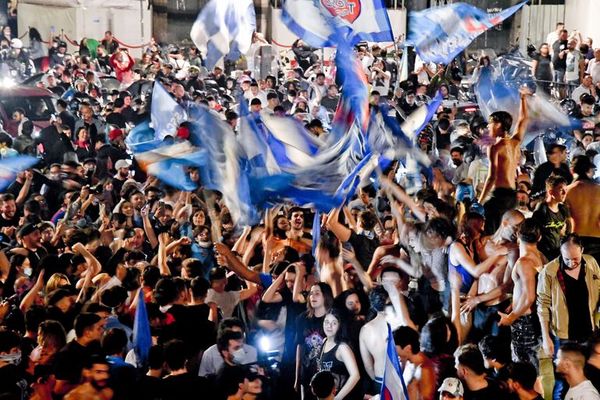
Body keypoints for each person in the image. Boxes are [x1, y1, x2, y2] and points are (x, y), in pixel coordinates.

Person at [537, 234, 600, 399]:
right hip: (564, 335)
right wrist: (546, 337)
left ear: (582, 251)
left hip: (588, 331)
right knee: (562, 381)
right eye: (567, 259)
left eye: (575, 258)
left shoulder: (591, 263)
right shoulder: (549, 271)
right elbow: (542, 305)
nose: (572, 262)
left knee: (588, 376)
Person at [479, 88, 530, 234]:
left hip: (499, 196)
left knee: (490, 233)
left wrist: (480, 201)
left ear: (498, 125)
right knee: (506, 232)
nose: (488, 127)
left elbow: (492, 177)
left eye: (490, 124)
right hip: (512, 196)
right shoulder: (515, 143)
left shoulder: (495, 147)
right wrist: (523, 99)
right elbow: (523, 120)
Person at [498, 219, 544, 370]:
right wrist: (514, 304)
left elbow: (530, 296)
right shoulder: (540, 257)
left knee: (524, 371)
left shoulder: (524, 262)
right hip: (532, 319)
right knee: (531, 369)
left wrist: (512, 316)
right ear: (539, 238)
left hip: (524, 322)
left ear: (518, 234)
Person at [318, 308, 360, 399]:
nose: (329, 326)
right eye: (326, 322)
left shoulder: (342, 348)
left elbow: (355, 375)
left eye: (334, 323)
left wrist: (337, 398)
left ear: (339, 326)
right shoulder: (324, 341)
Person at [565, 155, 600, 263]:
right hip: (597, 238)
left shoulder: (567, 191)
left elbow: (565, 219)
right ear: (588, 169)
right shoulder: (598, 190)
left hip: (576, 239)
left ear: (572, 170)